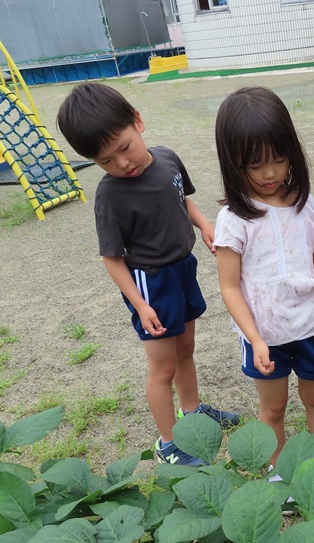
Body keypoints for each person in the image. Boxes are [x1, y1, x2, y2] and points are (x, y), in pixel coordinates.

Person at [56, 82, 240, 466]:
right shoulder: (110, 196)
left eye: (124, 147)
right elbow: (112, 257)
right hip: (150, 282)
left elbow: (181, 197)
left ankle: (192, 413)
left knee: (186, 350)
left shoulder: (168, 159)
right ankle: (169, 443)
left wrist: (204, 223)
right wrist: (140, 305)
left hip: (182, 269)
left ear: (137, 121)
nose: (122, 163)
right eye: (106, 161)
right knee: (163, 367)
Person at [213, 87, 314, 465]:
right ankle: (279, 475)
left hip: (309, 324)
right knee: (273, 410)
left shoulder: (303, 200)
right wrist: (254, 339)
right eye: (255, 164)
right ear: (232, 163)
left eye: (280, 158)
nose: (271, 173)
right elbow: (228, 286)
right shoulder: (234, 220)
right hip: (265, 334)